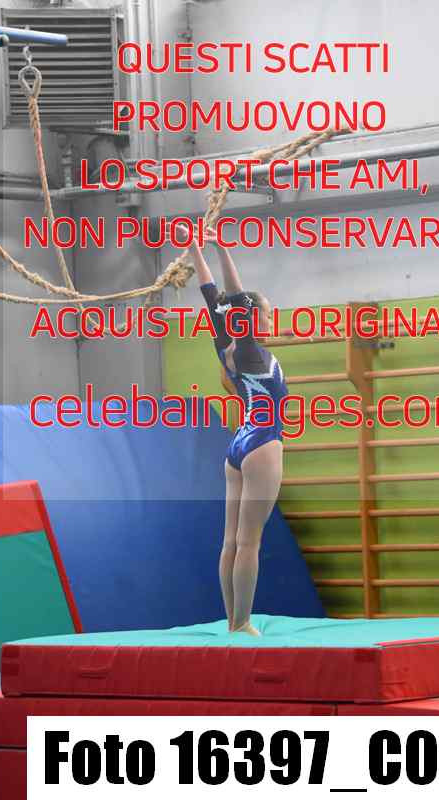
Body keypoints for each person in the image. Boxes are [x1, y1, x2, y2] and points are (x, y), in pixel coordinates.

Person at [177, 225, 288, 636]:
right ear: (251, 318)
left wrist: (196, 248)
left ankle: (234, 621)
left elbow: (213, 297)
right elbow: (235, 297)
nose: (271, 319)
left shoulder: (227, 346)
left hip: (239, 445)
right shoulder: (249, 351)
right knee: (249, 542)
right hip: (262, 442)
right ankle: (241, 622)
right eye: (267, 313)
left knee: (231, 541)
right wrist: (221, 246)